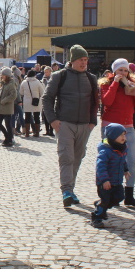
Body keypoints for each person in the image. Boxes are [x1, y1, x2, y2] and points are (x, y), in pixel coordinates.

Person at [41, 44, 98, 208]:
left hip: (85, 125)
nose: (84, 63)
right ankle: (66, 190)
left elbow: (95, 101)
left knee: (78, 158)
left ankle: (71, 190)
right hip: (64, 123)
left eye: (86, 60)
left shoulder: (91, 78)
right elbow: (47, 98)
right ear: (73, 61)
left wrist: (93, 121)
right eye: (81, 59)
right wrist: (53, 120)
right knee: (66, 157)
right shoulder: (60, 76)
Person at [99, 58, 135, 206]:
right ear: (114, 71)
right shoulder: (106, 84)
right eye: (120, 70)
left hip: (128, 128)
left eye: (125, 70)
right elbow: (107, 101)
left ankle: (129, 194)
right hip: (110, 128)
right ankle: (111, 194)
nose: (123, 73)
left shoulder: (133, 83)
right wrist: (115, 83)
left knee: (132, 160)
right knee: (111, 161)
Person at [91, 123, 130, 228]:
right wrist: (104, 180)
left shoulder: (122, 148)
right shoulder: (105, 150)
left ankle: (100, 205)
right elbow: (101, 166)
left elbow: (123, 161)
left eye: (124, 134)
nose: (123, 137)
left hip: (117, 181)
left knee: (120, 196)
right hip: (105, 182)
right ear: (113, 137)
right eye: (120, 135)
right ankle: (97, 217)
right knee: (105, 200)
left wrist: (126, 170)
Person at [20, 69, 46, 137]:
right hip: (36, 101)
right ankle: (37, 133)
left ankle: (27, 133)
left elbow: (21, 93)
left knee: (27, 117)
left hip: (27, 101)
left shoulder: (24, 82)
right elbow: (42, 92)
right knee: (37, 117)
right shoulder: (38, 82)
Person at [0, 68, 17, 147]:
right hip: (1, 107)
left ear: (7, 76)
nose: (1, 76)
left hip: (7, 107)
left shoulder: (11, 84)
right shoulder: (4, 83)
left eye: (3, 75)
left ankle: (9, 140)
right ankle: (7, 137)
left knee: (8, 124)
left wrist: (4, 101)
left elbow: (13, 95)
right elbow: (1, 95)